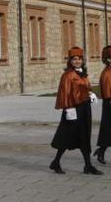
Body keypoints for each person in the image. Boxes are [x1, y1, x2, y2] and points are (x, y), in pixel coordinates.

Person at [50, 46, 101, 174]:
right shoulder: (68, 75)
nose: (77, 61)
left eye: (79, 59)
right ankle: (56, 162)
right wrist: (69, 109)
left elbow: (83, 88)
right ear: (70, 61)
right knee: (67, 136)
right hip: (73, 109)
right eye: (74, 59)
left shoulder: (82, 73)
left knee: (84, 135)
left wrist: (90, 94)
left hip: (84, 108)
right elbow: (65, 93)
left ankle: (87, 165)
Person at [95, 46, 111, 164]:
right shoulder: (106, 73)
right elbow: (106, 90)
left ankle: (101, 150)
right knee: (108, 129)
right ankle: (101, 150)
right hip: (109, 103)